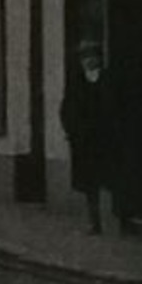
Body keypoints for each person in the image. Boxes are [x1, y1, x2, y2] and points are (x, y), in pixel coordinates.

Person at [61, 39, 121, 236]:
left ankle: (121, 219)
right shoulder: (76, 82)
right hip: (85, 141)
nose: (89, 61)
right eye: (85, 58)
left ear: (99, 58)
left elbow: (117, 106)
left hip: (106, 138)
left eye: (92, 56)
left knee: (114, 178)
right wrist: (72, 131)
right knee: (90, 184)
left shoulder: (109, 78)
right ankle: (94, 223)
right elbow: (66, 109)